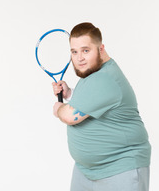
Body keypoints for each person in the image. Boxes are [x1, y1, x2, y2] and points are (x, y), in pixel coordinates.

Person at [52, 22, 151, 191]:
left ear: (101, 48)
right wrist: (70, 94)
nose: (79, 58)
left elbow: (69, 116)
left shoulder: (105, 78)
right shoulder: (93, 72)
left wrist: (58, 108)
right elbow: (96, 101)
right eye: (74, 52)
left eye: (85, 50)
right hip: (86, 171)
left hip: (119, 170)